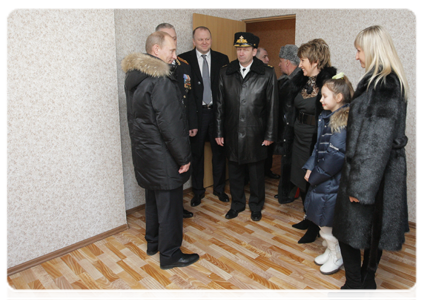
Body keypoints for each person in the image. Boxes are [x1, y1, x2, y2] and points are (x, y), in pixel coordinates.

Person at [328, 25, 409, 300]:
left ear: (373, 51)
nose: (356, 56)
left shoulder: (383, 86)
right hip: (379, 174)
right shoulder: (384, 82)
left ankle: (354, 287)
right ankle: (367, 281)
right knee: (373, 230)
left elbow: (375, 143)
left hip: (368, 175)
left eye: (359, 50)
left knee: (349, 232)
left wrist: (360, 189)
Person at [122, 31, 199, 270]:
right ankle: (170, 255)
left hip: (145, 154)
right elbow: (171, 125)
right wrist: (183, 157)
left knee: (153, 202)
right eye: (171, 50)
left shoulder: (134, 77)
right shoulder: (160, 80)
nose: (175, 56)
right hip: (163, 156)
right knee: (170, 208)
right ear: (156, 51)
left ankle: (153, 243)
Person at [215, 32, 278, 222]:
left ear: (254, 51)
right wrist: (218, 131)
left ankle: (256, 206)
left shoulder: (266, 73)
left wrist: (270, 133)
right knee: (234, 171)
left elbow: (273, 107)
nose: (241, 53)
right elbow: (219, 105)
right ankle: (237, 204)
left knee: (256, 173)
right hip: (232, 131)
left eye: (245, 49)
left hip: (256, 133)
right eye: (238, 49)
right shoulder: (225, 72)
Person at [281, 39, 337, 244]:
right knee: (300, 178)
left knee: (314, 182)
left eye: (303, 60)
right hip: (298, 136)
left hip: (316, 139)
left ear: (315, 61)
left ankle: (314, 227)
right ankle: (308, 217)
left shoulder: (330, 83)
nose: (300, 64)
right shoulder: (302, 81)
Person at [303, 73, 354, 275]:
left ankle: (337, 255)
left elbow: (335, 157)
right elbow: (318, 148)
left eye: (324, 96)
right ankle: (331, 251)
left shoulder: (341, 123)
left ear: (339, 98)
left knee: (326, 224)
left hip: (332, 182)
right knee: (322, 220)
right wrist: (309, 167)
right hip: (324, 180)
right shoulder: (328, 117)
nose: (321, 100)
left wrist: (315, 176)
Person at [179, 27, 230, 207]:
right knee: (197, 155)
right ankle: (198, 192)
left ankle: (219, 189)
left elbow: (226, 90)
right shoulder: (184, 60)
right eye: (200, 39)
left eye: (207, 39)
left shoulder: (222, 59)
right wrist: (191, 121)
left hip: (216, 114)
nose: (204, 42)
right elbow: (186, 93)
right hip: (196, 115)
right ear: (193, 41)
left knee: (219, 153)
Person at [155, 22, 196, 219]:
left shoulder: (184, 65)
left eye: (175, 37)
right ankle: (168, 213)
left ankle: (178, 207)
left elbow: (190, 96)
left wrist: (192, 123)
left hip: (181, 126)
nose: (173, 41)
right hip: (165, 130)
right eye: (167, 37)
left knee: (180, 169)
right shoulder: (153, 68)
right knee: (168, 171)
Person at [273, 44, 302, 204]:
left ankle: (291, 193)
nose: (279, 64)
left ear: (288, 62)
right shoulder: (285, 80)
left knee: (292, 163)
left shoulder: (298, 82)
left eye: (281, 61)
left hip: (294, 131)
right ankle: (287, 192)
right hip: (286, 130)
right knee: (286, 162)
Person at [256, 47, 280, 180]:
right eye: (264, 57)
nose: (267, 59)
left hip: (267, 118)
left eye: (267, 56)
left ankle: (267, 170)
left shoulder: (270, 72)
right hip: (256, 120)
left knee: (269, 149)